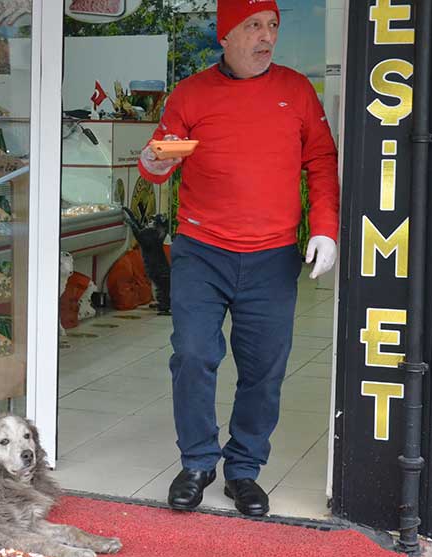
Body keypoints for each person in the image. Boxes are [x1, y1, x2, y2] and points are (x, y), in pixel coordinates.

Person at [137, 0, 339, 517]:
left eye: (272, 26)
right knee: (193, 355)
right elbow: (159, 162)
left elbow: (320, 160)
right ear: (225, 35)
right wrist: (151, 159)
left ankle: (244, 469)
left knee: (264, 369)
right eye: (253, 26)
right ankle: (198, 461)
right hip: (202, 251)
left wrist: (325, 229)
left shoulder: (296, 91)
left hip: (272, 257)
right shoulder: (192, 93)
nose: (265, 36)